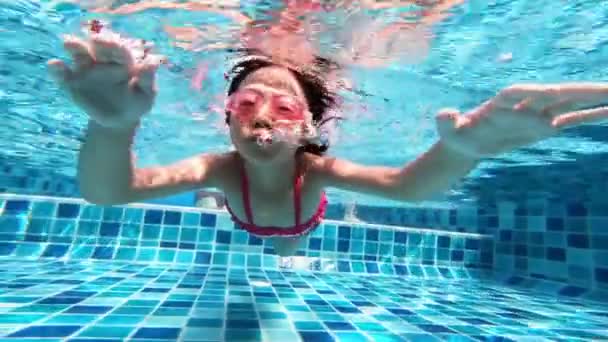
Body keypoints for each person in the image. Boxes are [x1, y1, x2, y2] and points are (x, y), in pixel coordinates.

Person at [47, 24, 608, 256]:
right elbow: (109, 192)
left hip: (300, 218)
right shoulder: (219, 166)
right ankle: (220, 211)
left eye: (285, 105)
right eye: (247, 102)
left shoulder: (313, 172)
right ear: (226, 118)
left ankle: (295, 246)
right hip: (241, 207)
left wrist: (460, 149)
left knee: (287, 250)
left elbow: (407, 186)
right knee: (249, 224)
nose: (263, 115)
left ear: (310, 129)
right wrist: (113, 126)